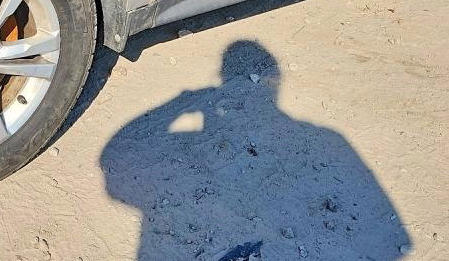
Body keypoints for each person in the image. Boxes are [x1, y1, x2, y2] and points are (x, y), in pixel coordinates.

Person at [102, 39, 410, 261]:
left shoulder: (324, 137)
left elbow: (112, 159)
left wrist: (180, 102)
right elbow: (399, 241)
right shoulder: (327, 137)